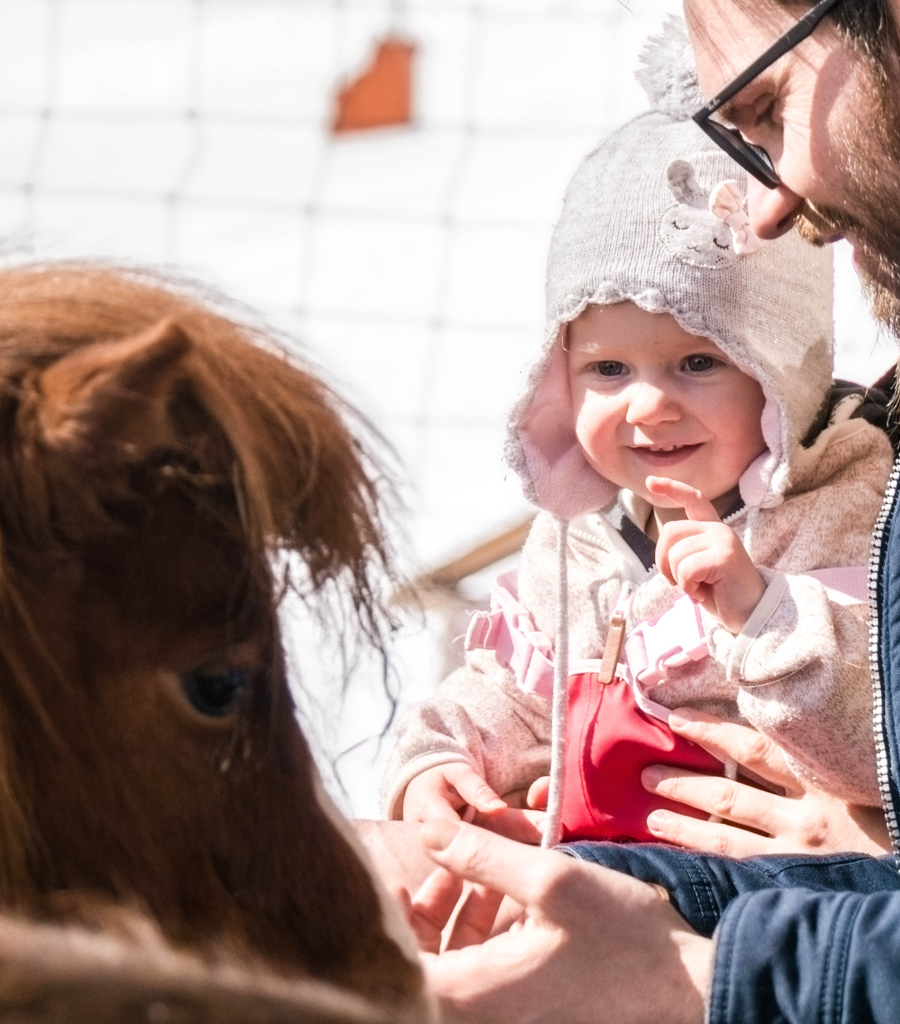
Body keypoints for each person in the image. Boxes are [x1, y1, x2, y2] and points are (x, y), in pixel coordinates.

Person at [395, 1, 900, 1019]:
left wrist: (765, 613)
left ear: (784, 375)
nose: (648, 402)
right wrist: (440, 770)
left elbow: (872, 743)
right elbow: (508, 683)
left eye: (701, 361)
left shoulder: (842, 512)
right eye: (607, 367)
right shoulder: (578, 541)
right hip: (612, 891)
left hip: (766, 913)